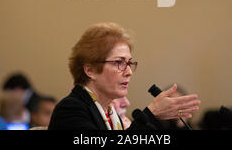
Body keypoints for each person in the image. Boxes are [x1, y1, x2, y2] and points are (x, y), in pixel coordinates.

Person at [48, 22, 201, 130]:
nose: (128, 71)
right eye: (119, 63)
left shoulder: (110, 113)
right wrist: (151, 113)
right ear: (90, 70)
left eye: (129, 63)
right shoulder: (71, 109)